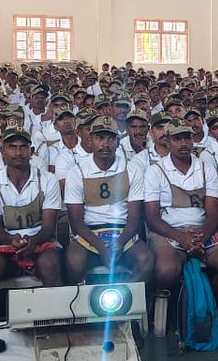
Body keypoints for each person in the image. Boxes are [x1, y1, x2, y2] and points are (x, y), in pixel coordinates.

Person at [144, 120, 218, 295]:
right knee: (167, 270)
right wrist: (180, 237)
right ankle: (175, 308)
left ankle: (203, 298)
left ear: (193, 140)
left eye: (186, 138)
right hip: (168, 231)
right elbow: (152, 217)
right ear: (167, 141)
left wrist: (201, 238)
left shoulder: (206, 169)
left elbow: (213, 213)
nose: (183, 144)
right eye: (177, 139)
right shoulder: (155, 171)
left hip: (202, 231)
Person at [0, 122, 64, 321]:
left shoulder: (47, 179)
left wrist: (33, 242)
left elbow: (49, 226)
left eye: (23, 147)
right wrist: (11, 241)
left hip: (40, 240)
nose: (18, 152)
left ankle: (55, 322)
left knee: (50, 262)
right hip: (5, 243)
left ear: (31, 151)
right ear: (2, 151)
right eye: (12, 147)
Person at [63, 116, 154, 283]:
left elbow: (134, 217)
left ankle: (129, 299)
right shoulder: (77, 172)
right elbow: (76, 221)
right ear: (90, 141)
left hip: (122, 232)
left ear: (118, 142)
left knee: (145, 260)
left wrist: (119, 243)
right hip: (89, 233)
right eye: (99, 138)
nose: (105, 144)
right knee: (73, 261)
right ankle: (81, 303)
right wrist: (100, 246)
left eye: (111, 138)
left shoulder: (131, 169)